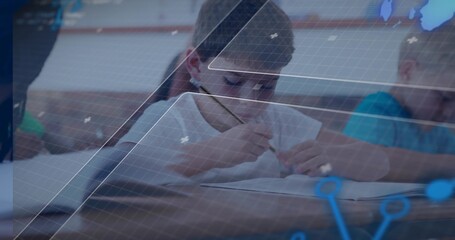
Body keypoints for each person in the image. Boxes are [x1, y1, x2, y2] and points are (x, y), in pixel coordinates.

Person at [112, 0, 391, 184]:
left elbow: (379, 162)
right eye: (233, 82)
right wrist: (210, 153)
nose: (250, 102)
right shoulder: (168, 118)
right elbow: (111, 176)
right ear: (196, 66)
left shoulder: (278, 120)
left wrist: (335, 159)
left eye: (267, 86)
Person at [343, 24, 455, 154]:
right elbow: (370, 168)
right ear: (408, 72)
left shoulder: (435, 127)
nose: (451, 111)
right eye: (445, 97)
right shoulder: (373, 116)